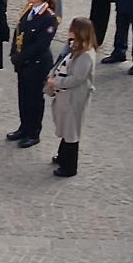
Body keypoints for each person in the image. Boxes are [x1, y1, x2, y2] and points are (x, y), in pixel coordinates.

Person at [7, 0, 59, 149]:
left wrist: (21, 57)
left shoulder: (49, 18)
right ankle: (24, 127)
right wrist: (14, 52)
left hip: (36, 64)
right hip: (23, 62)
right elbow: (18, 32)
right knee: (23, 97)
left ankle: (33, 133)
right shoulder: (28, 10)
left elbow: (41, 45)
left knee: (34, 100)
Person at [47, 17, 98, 177]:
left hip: (74, 99)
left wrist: (56, 81)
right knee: (67, 129)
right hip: (66, 97)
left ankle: (69, 167)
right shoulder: (75, 48)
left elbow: (77, 79)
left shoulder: (86, 55)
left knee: (71, 132)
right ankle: (63, 157)